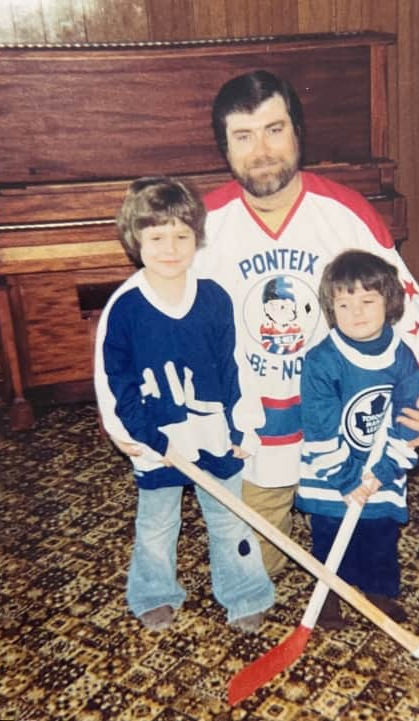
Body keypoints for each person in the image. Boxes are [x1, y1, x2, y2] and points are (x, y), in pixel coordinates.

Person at [115, 70, 419, 577]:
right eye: (243, 136)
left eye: (274, 129)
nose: (262, 150)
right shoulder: (201, 229)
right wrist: (129, 410)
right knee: (252, 573)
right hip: (253, 433)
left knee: (361, 561)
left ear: (298, 133)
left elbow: (405, 317)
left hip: (345, 429)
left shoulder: (346, 215)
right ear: (224, 148)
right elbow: (150, 324)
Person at [94, 176, 274, 633]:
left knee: (231, 519)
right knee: (156, 523)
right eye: (157, 237)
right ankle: (154, 592)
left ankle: (245, 592)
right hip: (156, 439)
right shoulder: (125, 308)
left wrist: (243, 427)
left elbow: (235, 366)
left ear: (197, 238)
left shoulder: (214, 298)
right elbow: (114, 380)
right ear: (136, 241)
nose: (170, 248)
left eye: (181, 235)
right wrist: (134, 435)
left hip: (213, 434)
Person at [296, 250, 419, 628]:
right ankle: (328, 596)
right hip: (331, 469)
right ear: (332, 309)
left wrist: (385, 469)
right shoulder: (322, 360)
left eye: (368, 300)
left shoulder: (401, 356)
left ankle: (379, 590)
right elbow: (319, 428)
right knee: (330, 535)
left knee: (380, 533)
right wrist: (347, 478)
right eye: (344, 303)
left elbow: (410, 416)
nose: (357, 312)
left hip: (380, 468)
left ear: (389, 302)